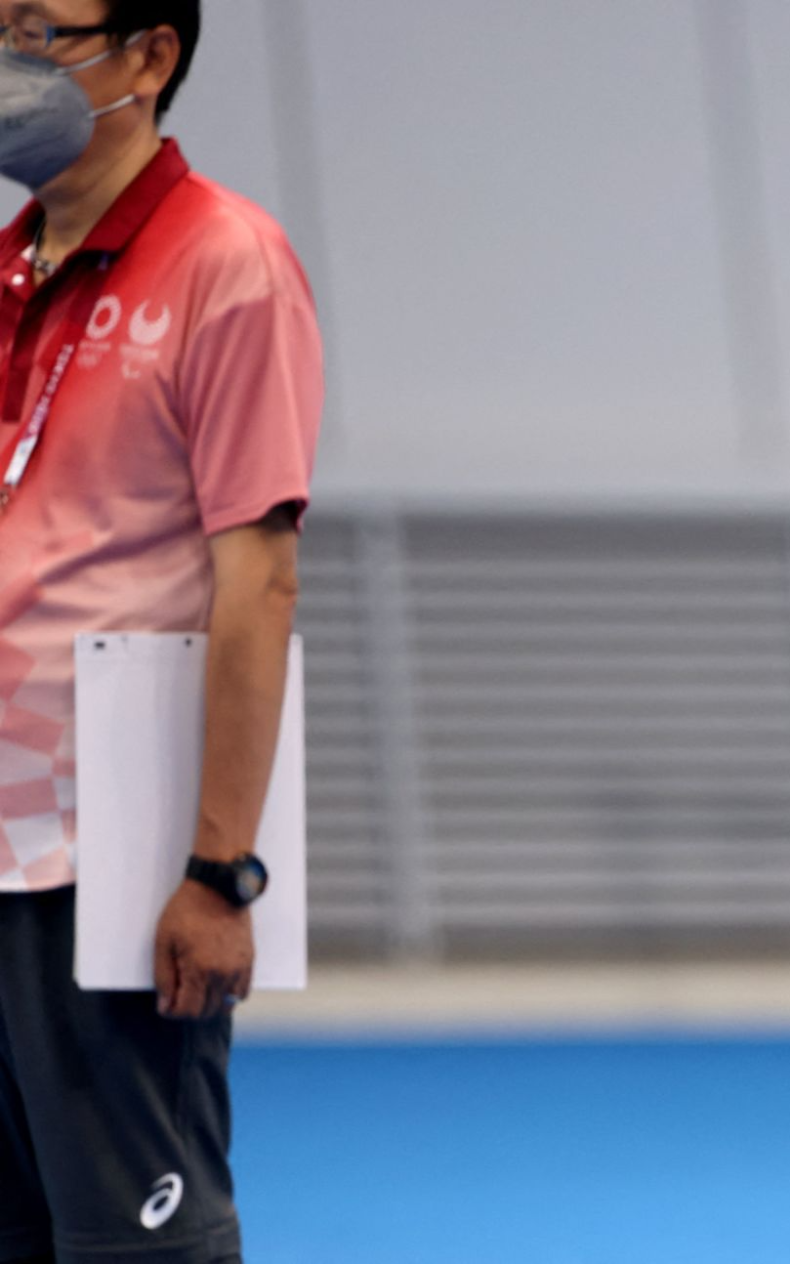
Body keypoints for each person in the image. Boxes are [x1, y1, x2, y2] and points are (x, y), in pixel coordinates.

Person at [0, 1, 322, 1260]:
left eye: (44, 28)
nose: (13, 58)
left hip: (113, 858)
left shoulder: (227, 263)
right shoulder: (10, 266)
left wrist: (215, 872)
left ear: (150, 53)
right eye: (2, 22)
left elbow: (259, 583)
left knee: (138, 1239)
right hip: (3, 837)